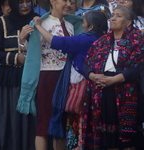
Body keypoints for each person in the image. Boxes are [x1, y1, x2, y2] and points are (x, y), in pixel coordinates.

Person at [33, 10, 108, 150]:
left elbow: (56, 41)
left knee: (76, 127)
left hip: (83, 87)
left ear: (91, 27)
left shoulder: (85, 39)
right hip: (97, 87)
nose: (82, 23)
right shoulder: (103, 39)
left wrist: (38, 26)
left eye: (84, 22)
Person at [16, 0, 83, 149]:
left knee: (62, 124)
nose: (68, 4)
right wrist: (21, 40)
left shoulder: (71, 25)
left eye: (69, 1)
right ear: (52, 1)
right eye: (64, 0)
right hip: (48, 77)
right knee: (44, 124)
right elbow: (31, 52)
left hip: (68, 78)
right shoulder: (41, 24)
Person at [82, 6, 144, 150]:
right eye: (112, 15)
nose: (113, 18)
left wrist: (112, 80)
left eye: (118, 16)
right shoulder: (102, 41)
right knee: (108, 139)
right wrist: (93, 76)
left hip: (126, 91)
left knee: (128, 141)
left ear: (128, 22)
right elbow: (87, 63)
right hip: (103, 91)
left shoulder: (137, 40)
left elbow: (136, 69)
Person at [0, 0, 38, 150]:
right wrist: (16, 58)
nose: (24, 5)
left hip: (32, 79)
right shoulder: (2, 22)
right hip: (9, 81)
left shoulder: (37, 21)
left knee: (30, 122)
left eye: (28, 1)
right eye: (20, 2)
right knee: (8, 120)